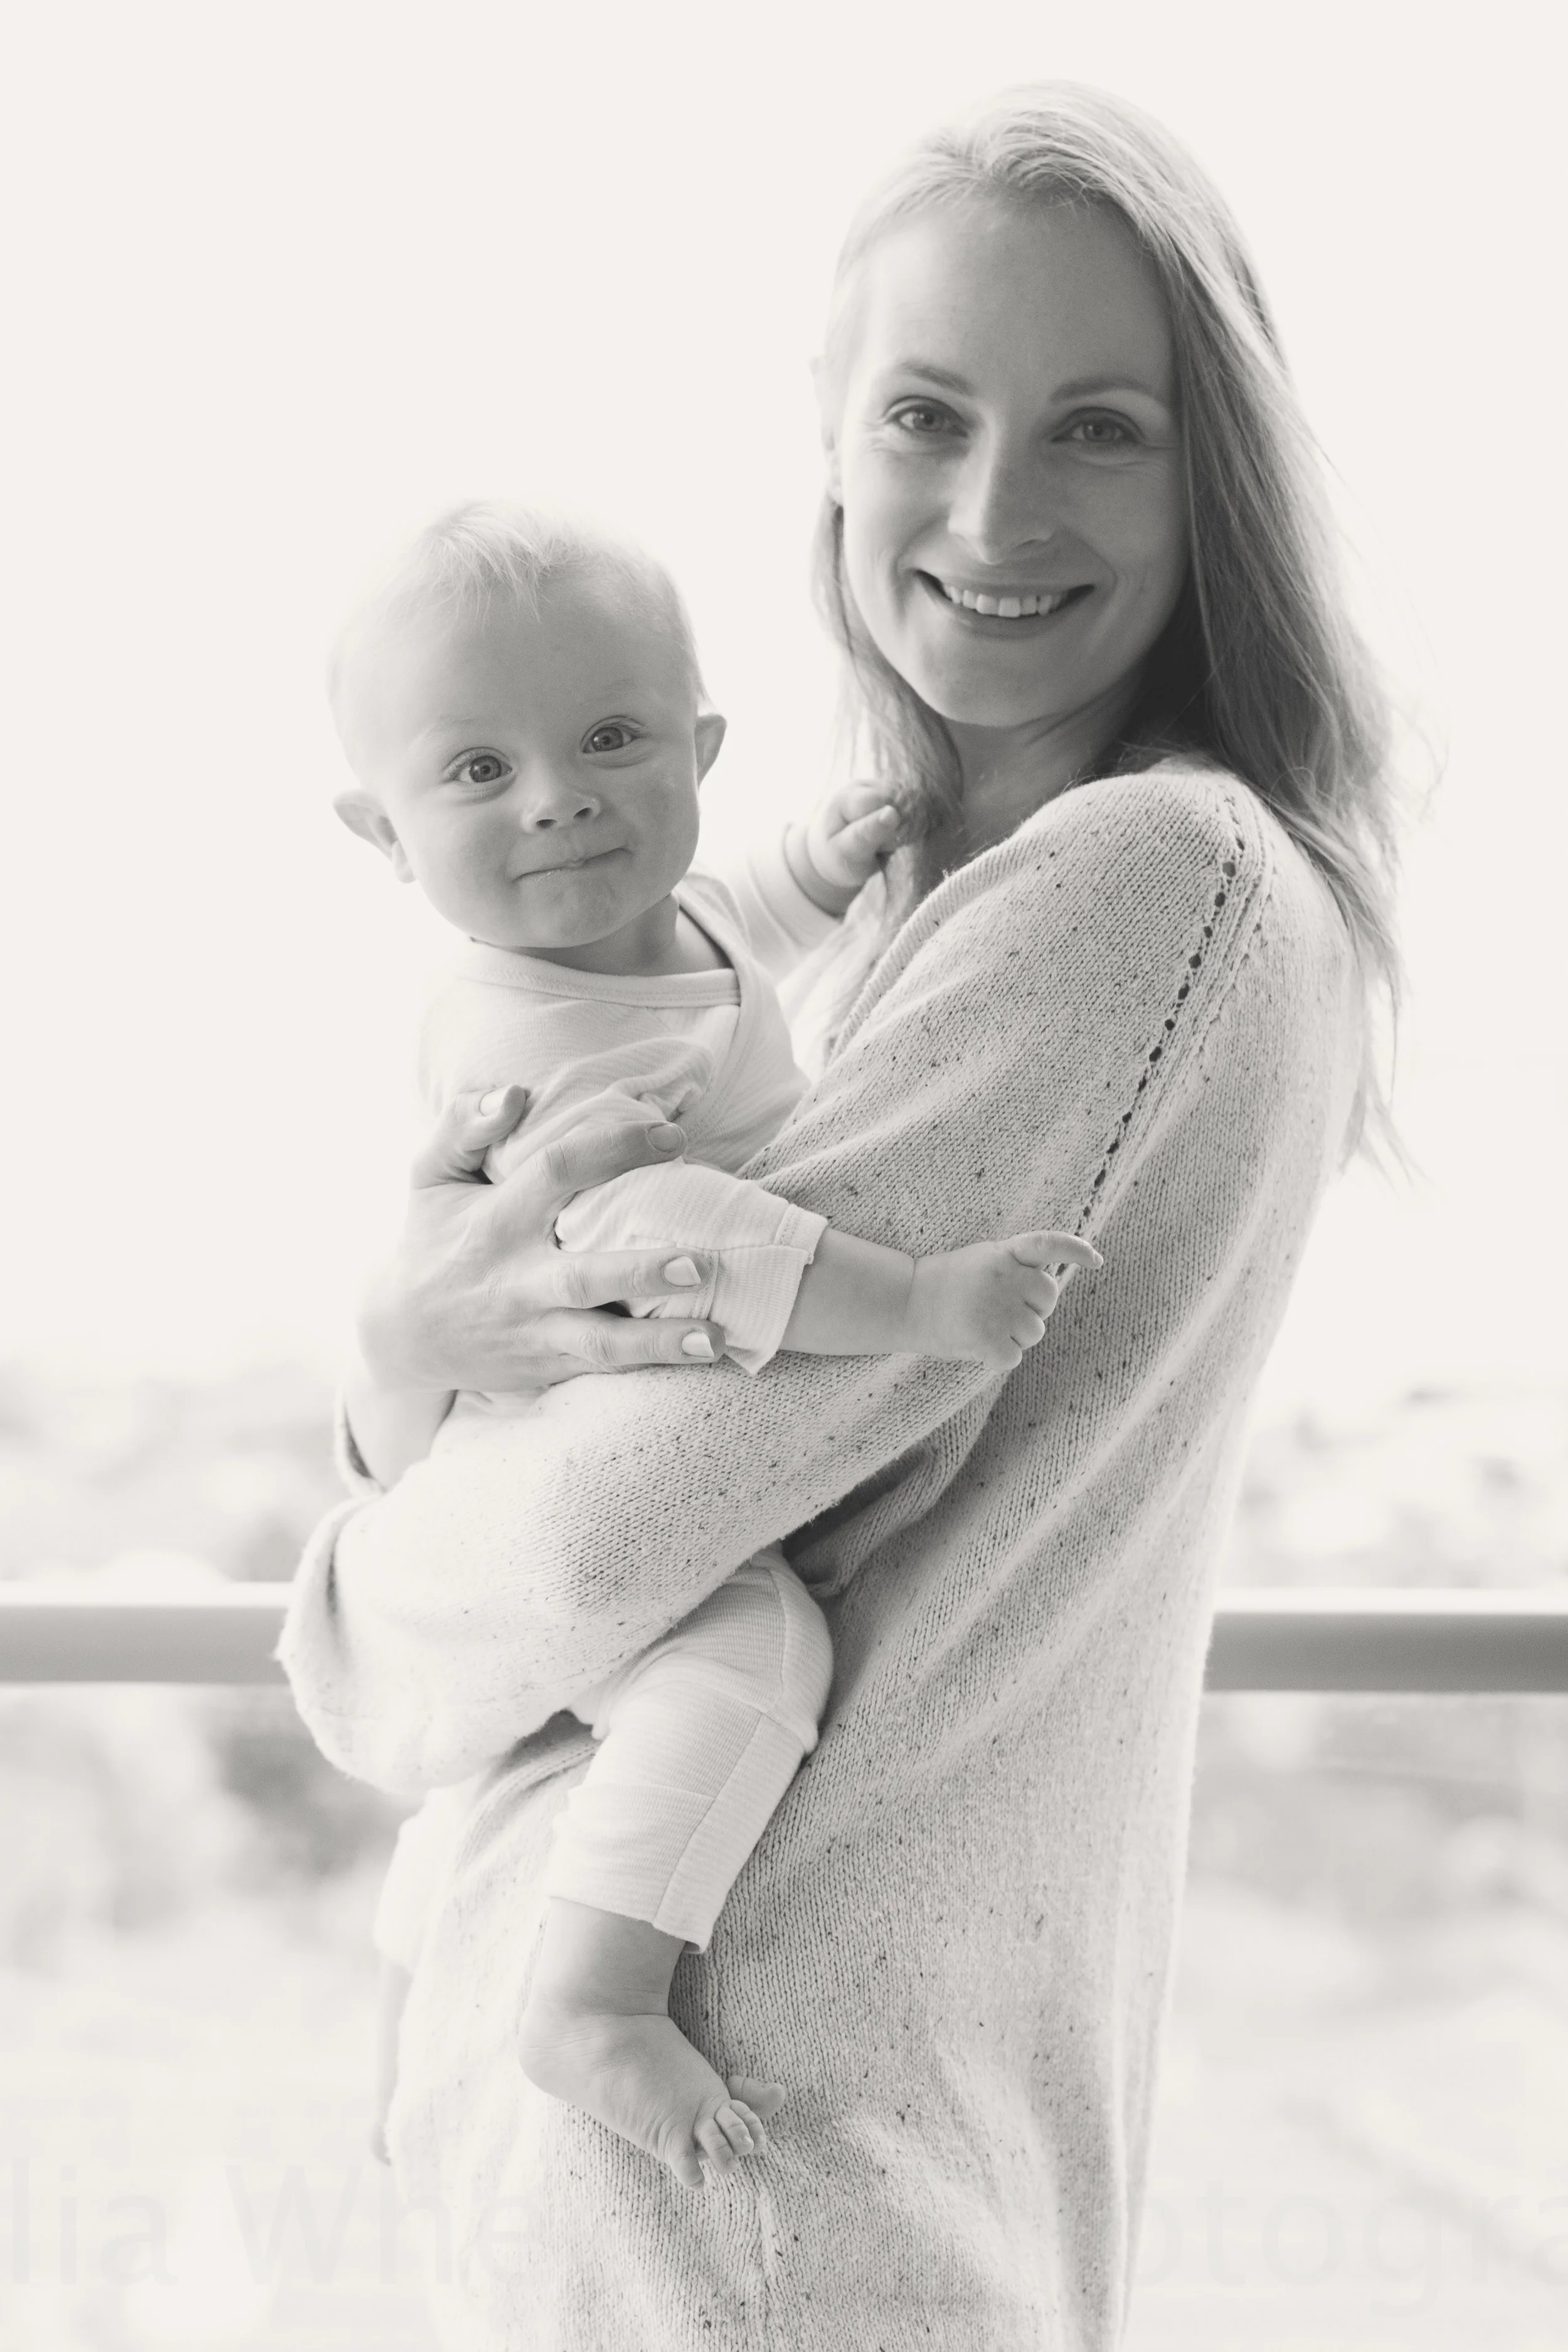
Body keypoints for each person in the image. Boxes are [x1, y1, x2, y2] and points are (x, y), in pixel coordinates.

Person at [281, 80, 1399, 2351]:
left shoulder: (1141, 883)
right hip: (718, 2189)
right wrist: (405, 1363)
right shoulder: (890, 905)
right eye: (924, 414)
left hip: (772, 2194)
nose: (991, 510)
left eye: (1099, 428)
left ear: (1212, 476)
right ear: (827, 435)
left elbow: (594, 1541)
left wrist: (358, 1589)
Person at [324, 497, 1093, 2187]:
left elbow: (739, 923)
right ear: (381, 830)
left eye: (610, 739)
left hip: (548, 1461)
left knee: (493, 1767)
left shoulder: (649, 935)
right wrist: (913, 1302)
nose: (557, 797)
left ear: (701, 748)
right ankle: (594, 1999)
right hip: (557, 1477)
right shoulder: (529, 1045)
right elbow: (679, 1243)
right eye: (478, 770)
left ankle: (400, 2026)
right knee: (748, 1659)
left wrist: (823, 863)